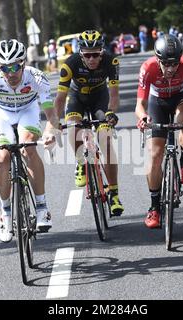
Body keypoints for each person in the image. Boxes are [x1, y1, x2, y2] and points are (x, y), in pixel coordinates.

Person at [0, 39, 59, 242]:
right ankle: (6, 213)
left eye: (15, 66)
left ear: (24, 63)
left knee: (28, 147)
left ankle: (42, 206)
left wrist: (49, 132)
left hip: (28, 111)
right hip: (1, 114)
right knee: (1, 159)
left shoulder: (37, 78)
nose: (11, 73)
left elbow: (52, 115)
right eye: (5, 68)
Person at [135, 34, 183, 228]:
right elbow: (139, 105)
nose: (170, 68)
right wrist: (142, 118)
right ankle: (154, 207)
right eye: (165, 63)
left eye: (174, 63)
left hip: (181, 97)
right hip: (157, 102)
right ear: (157, 60)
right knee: (155, 154)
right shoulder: (148, 68)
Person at [53, 30, 124, 216]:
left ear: (102, 52)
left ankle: (114, 193)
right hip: (76, 98)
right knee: (73, 128)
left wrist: (110, 112)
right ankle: (79, 162)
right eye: (87, 55)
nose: (92, 59)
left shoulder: (111, 61)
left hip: (100, 99)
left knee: (106, 140)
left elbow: (114, 96)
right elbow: (60, 99)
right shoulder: (70, 64)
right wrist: (54, 123)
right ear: (80, 53)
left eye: (96, 54)